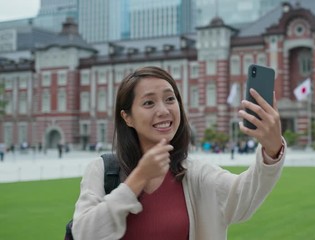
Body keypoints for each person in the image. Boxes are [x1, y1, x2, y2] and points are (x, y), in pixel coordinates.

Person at [71, 66, 286, 240]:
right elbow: (84, 234)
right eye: (148, 102)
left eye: (170, 99)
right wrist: (137, 180)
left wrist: (272, 149)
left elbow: (242, 200)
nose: (164, 110)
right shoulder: (102, 170)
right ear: (127, 117)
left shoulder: (195, 174)